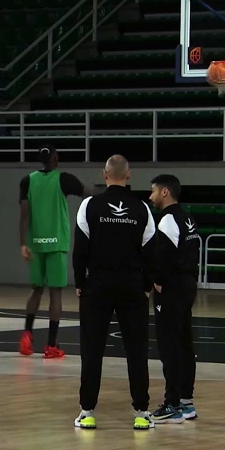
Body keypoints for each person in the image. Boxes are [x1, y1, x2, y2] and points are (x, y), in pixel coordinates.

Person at [72, 155, 157, 430]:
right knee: (136, 350)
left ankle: (87, 412)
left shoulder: (89, 205)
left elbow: (79, 251)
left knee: (92, 349)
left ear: (105, 175)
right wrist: (145, 287)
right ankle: (141, 413)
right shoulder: (143, 208)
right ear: (128, 175)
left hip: (97, 285)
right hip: (132, 286)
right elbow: (151, 254)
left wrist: (80, 284)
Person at [18, 144, 89, 358]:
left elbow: (24, 215)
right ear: (56, 159)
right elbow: (88, 192)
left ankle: (26, 336)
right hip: (56, 243)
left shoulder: (27, 180)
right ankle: (51, 345)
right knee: (55, 293)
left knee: (36, 289)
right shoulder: (64, 179)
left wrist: (23, 243)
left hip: (35, 244)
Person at [148, 174, 200, 424]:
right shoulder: (188, 218)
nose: (151, 196)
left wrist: (157, 280)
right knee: (184, 342)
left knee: (169, 345)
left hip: (172, 288)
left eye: (153, 191)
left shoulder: (168, 220)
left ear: (165, 192)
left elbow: (164, 255)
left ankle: (172, 404)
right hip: (189, 284)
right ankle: (186, 401)